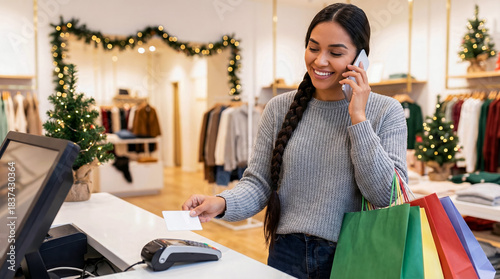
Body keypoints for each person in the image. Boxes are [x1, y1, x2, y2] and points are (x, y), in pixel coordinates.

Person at [182, 3, 408, 278]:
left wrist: (358, 117)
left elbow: (388, 196)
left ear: (361, 59)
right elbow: (259, 183)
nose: (320, 61)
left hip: (354, 254)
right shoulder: (279, 108)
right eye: (313, 48)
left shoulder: (386, 111)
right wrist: (221, 203)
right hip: (286, 252)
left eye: (335, 53)